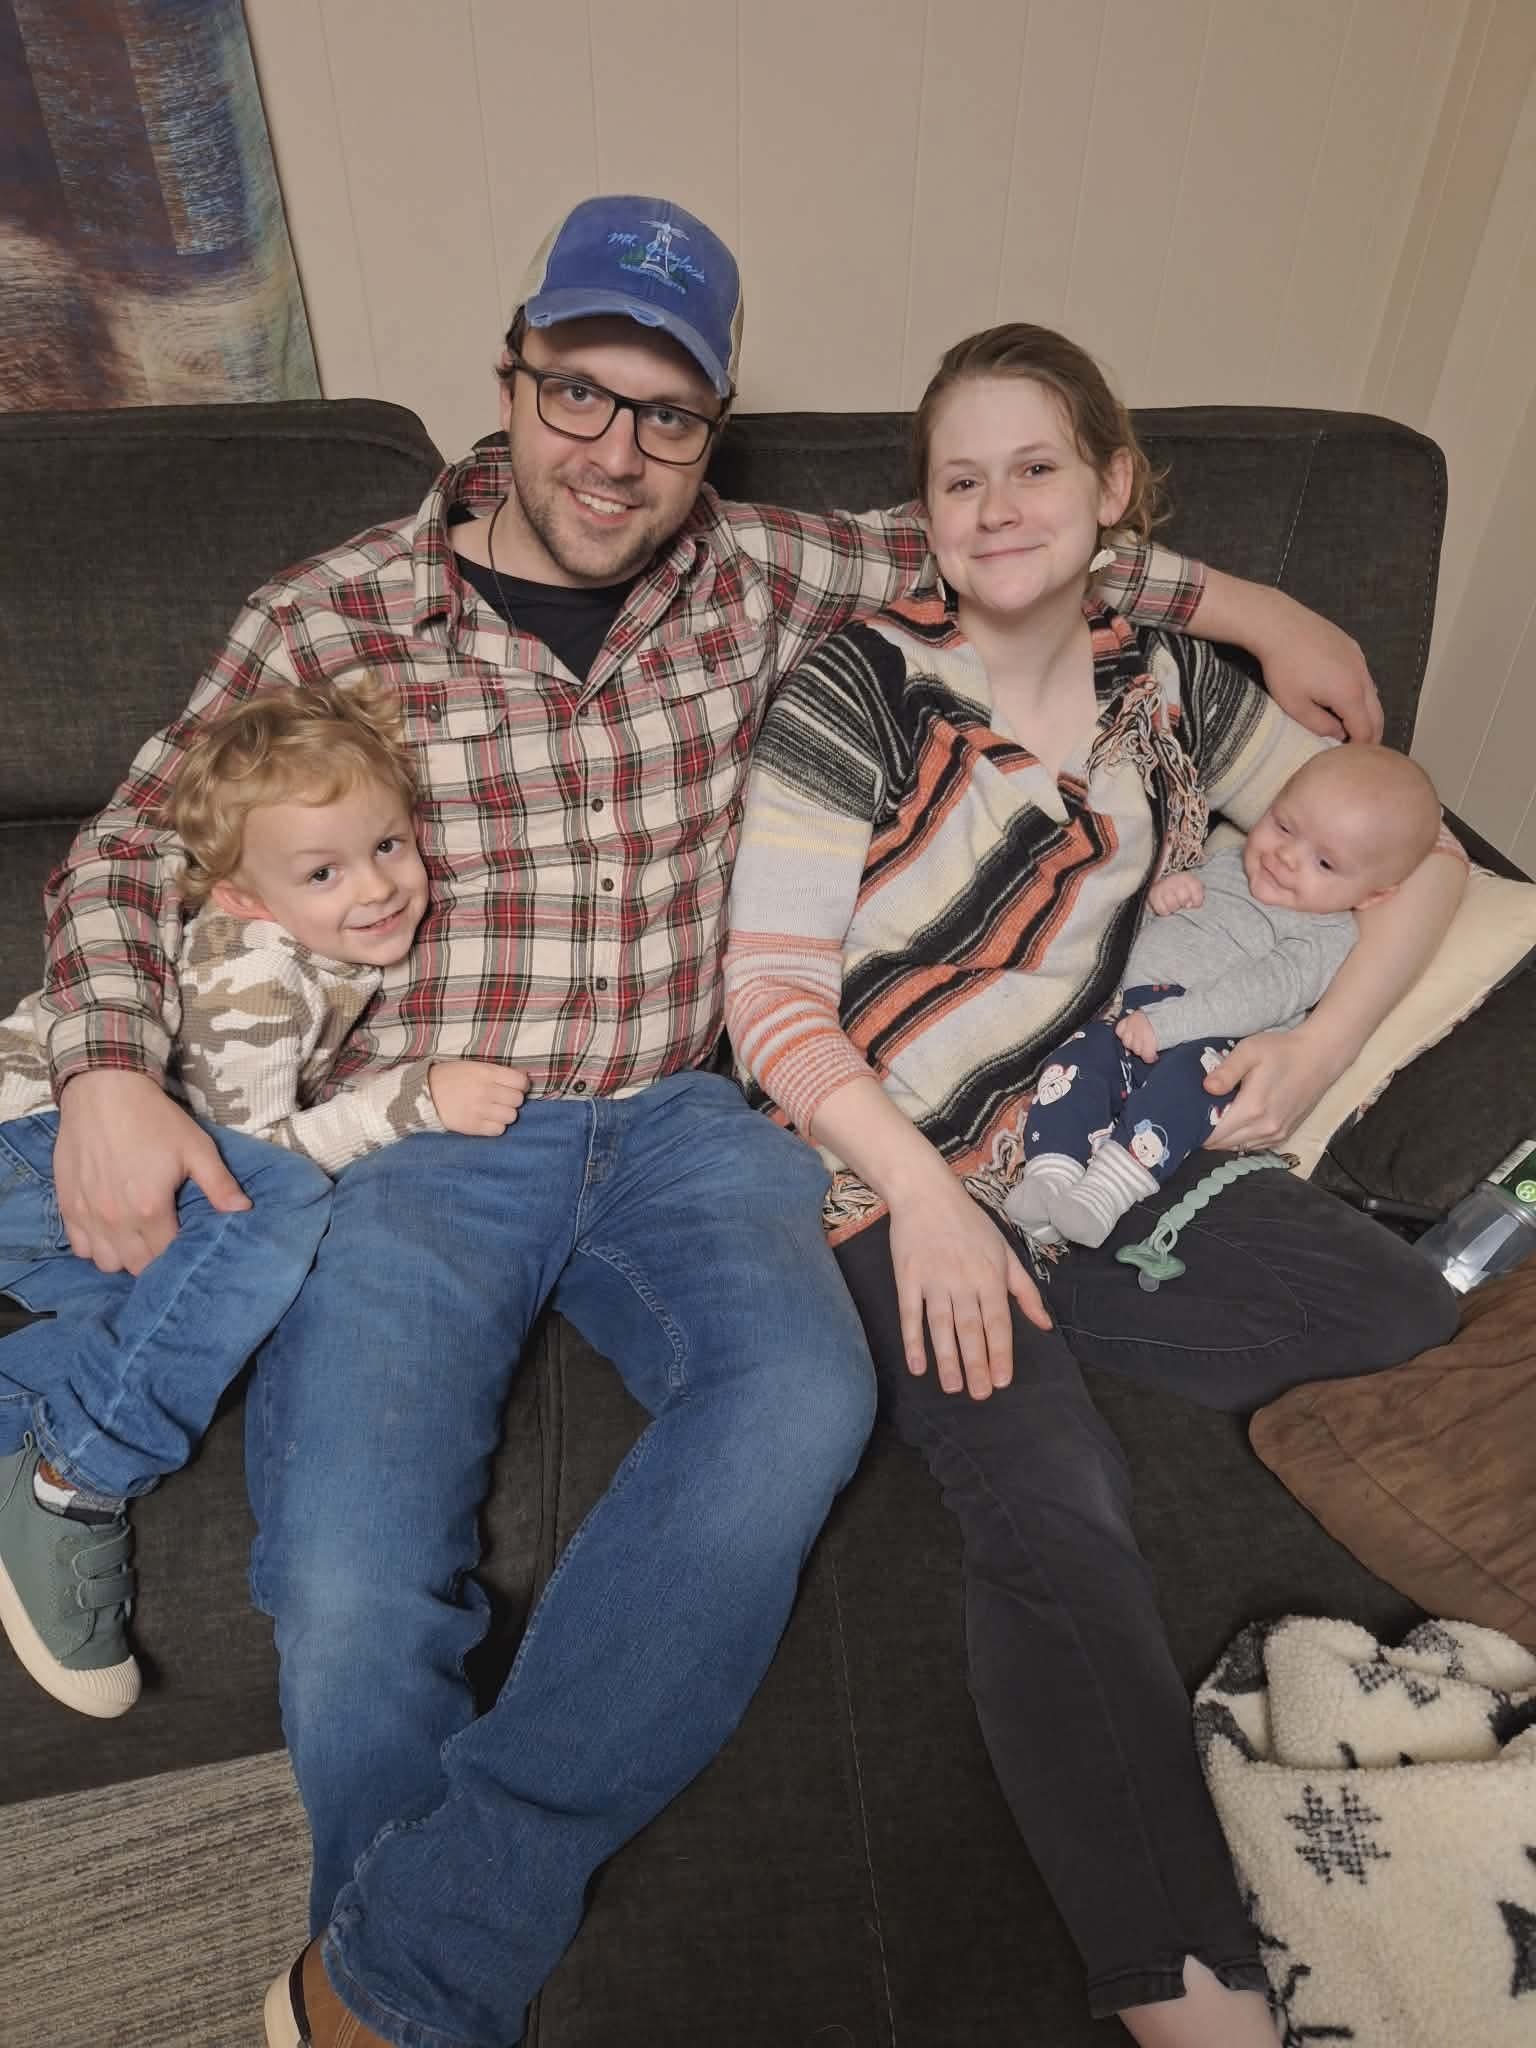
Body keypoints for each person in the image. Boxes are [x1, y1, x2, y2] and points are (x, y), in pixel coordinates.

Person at [32, 192, 1399, 2048]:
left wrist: (1248, 599)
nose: (617, 451)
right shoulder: (333, 611)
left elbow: (1006, 545)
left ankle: (392, 1974)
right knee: (353, 1566)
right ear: (510, 381)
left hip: (695, 1122)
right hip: (438, 1131)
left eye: (668, 414)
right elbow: (131, 843)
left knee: (802, 1398)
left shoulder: (764, 568)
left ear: (713, 428)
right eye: (580, 394)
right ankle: (417, 1984)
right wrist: (112, 1058)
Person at [722, 320, 1462, 2046]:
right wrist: (919, 1203)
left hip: (1074, 1150)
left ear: (1112, 488)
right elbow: (764, 999)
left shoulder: (1172, 689)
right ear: (924, 511)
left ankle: (1043, 1308)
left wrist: (1320, 1048)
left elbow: (1410, 851)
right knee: (1051, 1499)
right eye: (958, 476)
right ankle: (1191, 1993)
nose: (994, 507)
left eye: (1034, 465)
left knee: (1391, 1295)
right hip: (862, 1160)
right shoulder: (858, 681)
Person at [0, 682, 525, 1719]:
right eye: (322, 871)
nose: (377, 888)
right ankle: (75, 1480)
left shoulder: (313, 936)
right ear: (239, 895)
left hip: (71, 1193)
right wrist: (410, 1100)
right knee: (273, 1212)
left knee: (187, 1311)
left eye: (390, 846)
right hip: (33, 1145)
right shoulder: (256, 970)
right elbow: (244, 1165)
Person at [1008, 744, 1444, 1246]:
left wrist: (1169, 1023)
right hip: (1134, 1016)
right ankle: (1050, 1176)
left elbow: (1265, 994)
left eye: (1324, 862)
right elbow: (1141, 944)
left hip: (1214, 1042)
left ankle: (1105, 1192)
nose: (1285, 857)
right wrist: (1163, 900)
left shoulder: (1328, 934)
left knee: (1194, 1087)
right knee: (1081, 1057)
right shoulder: (1227, 865)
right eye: (1284, 826)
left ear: (1371, 895)